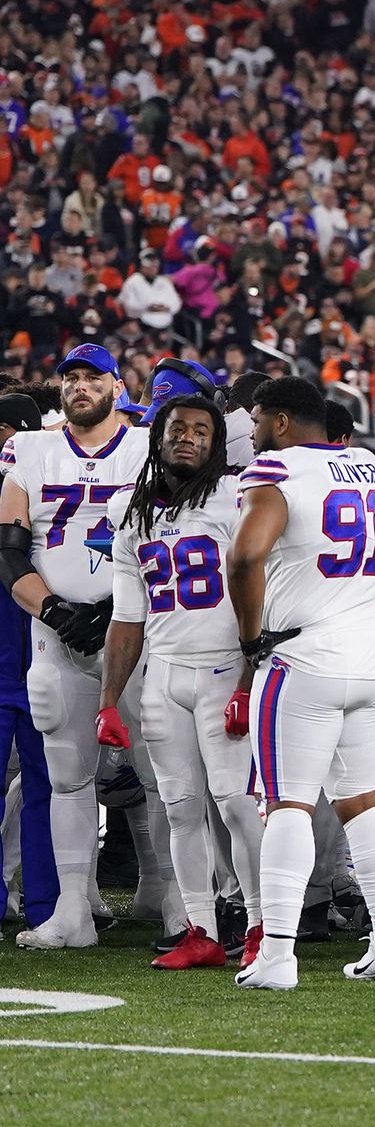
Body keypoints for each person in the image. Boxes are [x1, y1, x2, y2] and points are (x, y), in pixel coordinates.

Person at [229, 376, 375, 990]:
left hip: (305, 657)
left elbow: (246, 556)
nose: (251, 433)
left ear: (280, 422)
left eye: (257, 420)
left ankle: (277, 954)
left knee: (286, 806)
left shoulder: (278, 471)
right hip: (369, 655)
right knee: (362, 803)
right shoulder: (372, 470)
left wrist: (252, 636)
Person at [98, 394, 253, 970]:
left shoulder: (234, 497)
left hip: (221, 668)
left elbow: (262, 592)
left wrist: (246, 677)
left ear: (215, 444)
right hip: (162, 673)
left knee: (235, 804)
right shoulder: (134, 514)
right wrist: (109, 699)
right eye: (177, 428)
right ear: (158, 437)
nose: (187, 437)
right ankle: (201, 929)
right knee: (182, 807)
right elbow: (126, 617)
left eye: (200, 431)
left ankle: (262, 925)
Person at [3, 344, 148, 949]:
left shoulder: (146, 447)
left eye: (92, 377)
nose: (80, 387)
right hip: (54, 636)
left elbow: (165, 533)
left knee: (167, 777)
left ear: (116, 385)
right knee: (66, 777)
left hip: (137, 633)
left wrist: (118, 607)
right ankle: (71, 912)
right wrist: (58, 609)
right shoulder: (30, 449)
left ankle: (177, 907)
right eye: (71, 379)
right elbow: (8, 548)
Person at [0, 391, 53, 939]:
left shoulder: (42, 497)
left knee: (49, 790)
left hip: (40, 667)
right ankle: (40, 904)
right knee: (43, 790)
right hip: (18, 667)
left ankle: (47, 905)